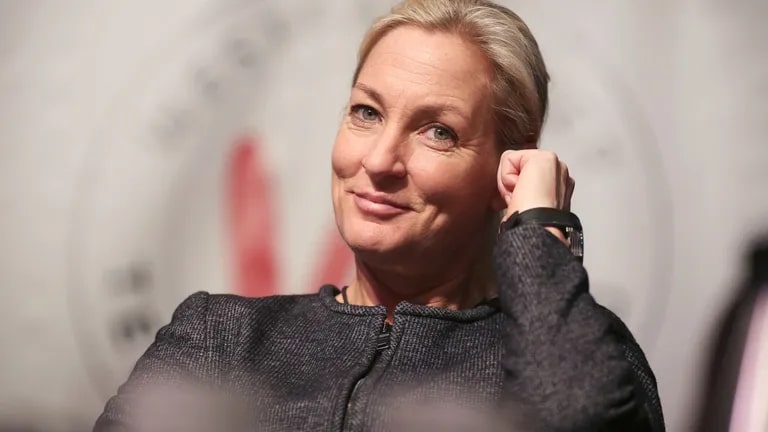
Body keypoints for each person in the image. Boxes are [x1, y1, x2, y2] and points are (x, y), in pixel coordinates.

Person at [94, 0, 665, 430]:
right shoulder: (220, 338)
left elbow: (577, 415)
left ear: (507, 169)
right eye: (366, 113)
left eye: (437, 131)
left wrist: (539, 229)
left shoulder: (583, 353)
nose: (379, 160)